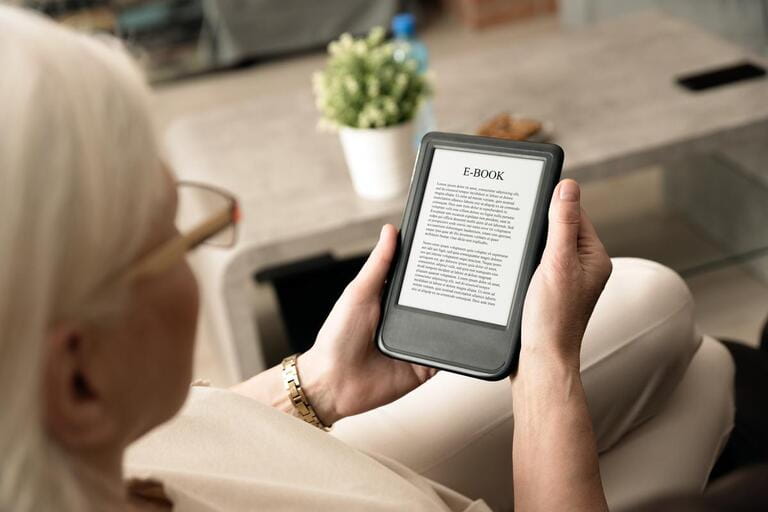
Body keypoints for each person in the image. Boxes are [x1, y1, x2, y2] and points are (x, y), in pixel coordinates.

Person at [0, 5, 740, 512]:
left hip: (290, 461)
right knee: (703, 366)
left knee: (667, 313)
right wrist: (548, 370)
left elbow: (178, 440)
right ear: (79, 381)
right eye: (177, 238)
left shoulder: (68, 448)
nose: (196, 250)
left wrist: (315, 385)